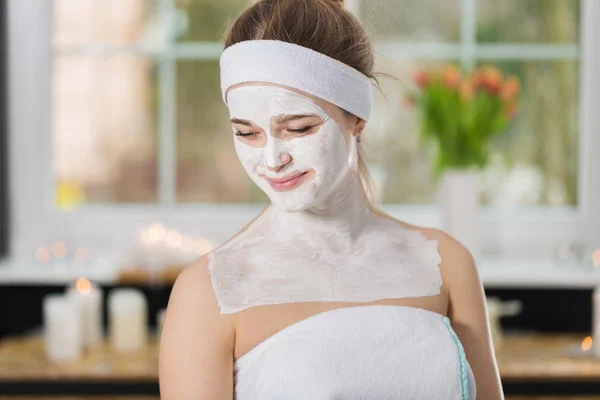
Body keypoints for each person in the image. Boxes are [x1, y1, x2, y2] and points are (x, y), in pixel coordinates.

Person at [159, 0, 504, 398]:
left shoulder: (447, 265)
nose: (272, 159)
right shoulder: (208, 292)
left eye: (299, 128)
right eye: (247, 133)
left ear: (357, 117)